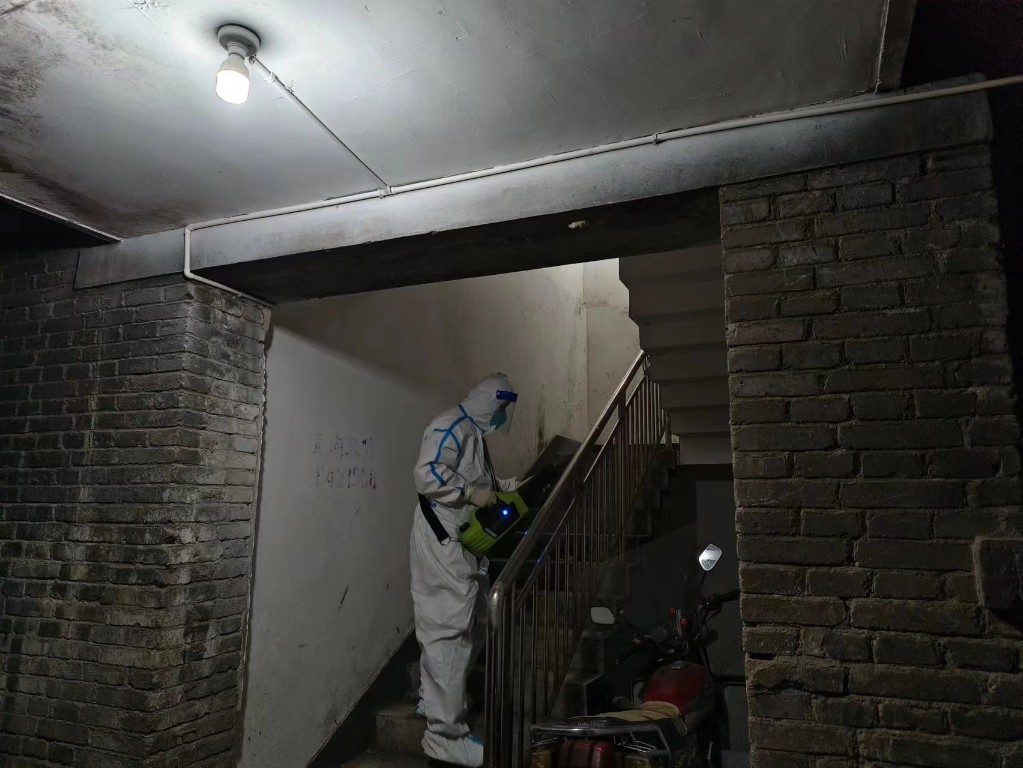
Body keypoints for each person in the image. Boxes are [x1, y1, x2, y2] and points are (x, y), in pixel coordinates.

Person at [410, 373, 521, 767]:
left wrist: (512, 487)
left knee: (473, 622)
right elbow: (427, 474)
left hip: (463, 542)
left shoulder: (473, 435)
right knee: (448, 626)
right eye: (502, 407)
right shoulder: (450, 425)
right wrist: (471, 493)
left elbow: (481, 482)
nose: (503, 415)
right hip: (442, 539)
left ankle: (434, 698)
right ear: (489, 400)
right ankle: (444, 737)